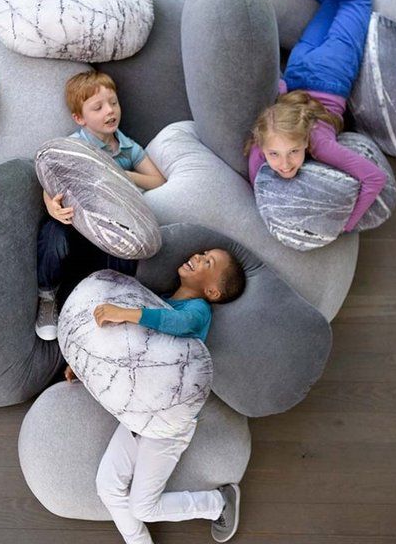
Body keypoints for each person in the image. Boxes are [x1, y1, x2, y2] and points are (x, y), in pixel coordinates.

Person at [69, 248, 246, 544]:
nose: (198, 256)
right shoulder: (157, 301)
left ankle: (219, 502)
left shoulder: (199, 310)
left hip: (167, 423)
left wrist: (127, 314)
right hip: (138, 413)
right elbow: (122, 348)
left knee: (143, 506)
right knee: (107, 485)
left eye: (208, 262)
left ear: (212, 290)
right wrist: (85, 363)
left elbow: (180, 324)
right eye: (202, 253)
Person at [246, 0, 388, 234]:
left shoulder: (319, 146)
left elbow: (374, 178)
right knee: (334, 1)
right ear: (262, 145)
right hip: (296, 67)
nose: (284, 164)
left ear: (307, 144)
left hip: (330, 72)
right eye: (278, 155)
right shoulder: (260, 149)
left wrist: (346, 226)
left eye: (293, 151)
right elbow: (258, 188)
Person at [36, 70, 167, 340]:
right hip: (75, 227)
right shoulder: (75, 146)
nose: (110, 111)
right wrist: (51, 205)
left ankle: (110, 305)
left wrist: (121, 174)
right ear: (79, 118)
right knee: (53, 233)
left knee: (126, 253)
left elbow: (157, 180)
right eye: (98, 107)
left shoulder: (128, 148)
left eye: (114, 103)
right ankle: (47, 296)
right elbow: (50, 179)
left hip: (110, 236)